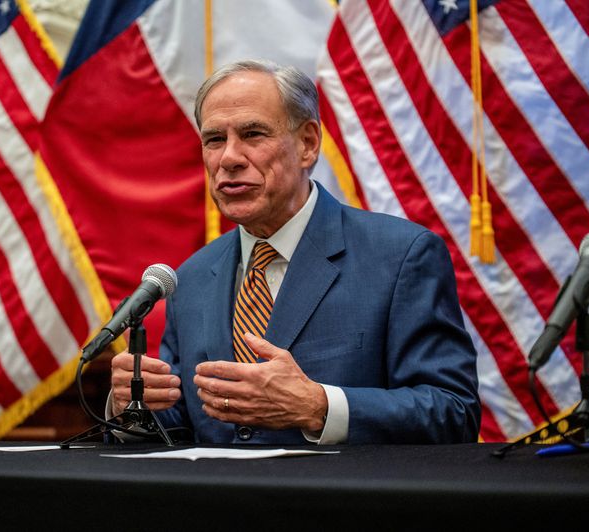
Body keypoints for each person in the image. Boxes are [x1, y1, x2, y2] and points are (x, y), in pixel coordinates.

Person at [109, 59, 481, 444]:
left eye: (253, 134)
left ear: (308, 144)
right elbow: (186, 424)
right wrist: (133, 406)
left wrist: (320, 407)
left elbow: (454, 410)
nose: (229, 158)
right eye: (214, 139)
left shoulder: (401, 257)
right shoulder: (192, 277)